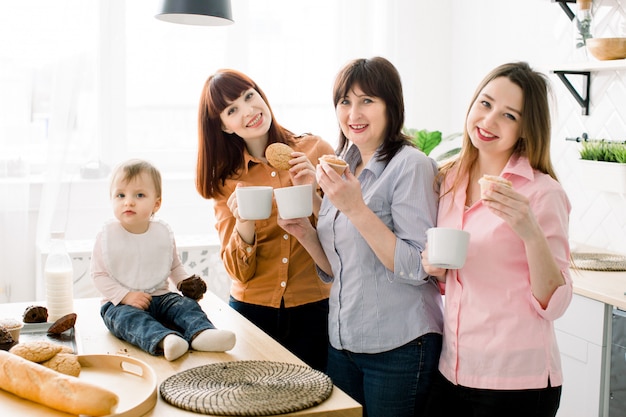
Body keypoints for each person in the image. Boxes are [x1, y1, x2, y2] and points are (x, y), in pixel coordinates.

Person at [278, 56, 444, 417]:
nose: (354, 112)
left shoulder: (411, 166)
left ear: (392, 105)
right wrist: (305, 232)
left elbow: (419, 266)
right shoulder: (341, 164)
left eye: (367, 100)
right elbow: (341, 266)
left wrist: (354, 208)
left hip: (399, 345)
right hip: (343, 342)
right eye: (345, 101)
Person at [422, 62, 573, 417]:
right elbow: (461, 280)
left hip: (515, 382)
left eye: (509, 115)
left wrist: (530, 231)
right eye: (485, 104)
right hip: (453, 368)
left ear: (524, 129)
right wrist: (434, 268)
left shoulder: (541, 193)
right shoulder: (449, 180)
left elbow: (555, 304)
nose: (489, 122)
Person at [195, 69, 334, 371]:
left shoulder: (314, 150)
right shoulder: (225, 180)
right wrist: (243, 222)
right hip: (251, 312)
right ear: (224, 126)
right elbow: (238, 273)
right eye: (232, 110)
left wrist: (313, 192)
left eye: (249, 96)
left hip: (316, 308)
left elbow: (345, 235)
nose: (249, 111)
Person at [91, 159, 236, 362]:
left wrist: (184, 282)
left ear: (156, 203)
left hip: (161, 297)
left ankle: (202, 333)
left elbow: (174, 265)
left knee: (185, 306)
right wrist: (126, 296)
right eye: (120, 195)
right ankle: (165, 340)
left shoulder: (162, 233)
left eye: (139, 195)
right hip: (120, 304)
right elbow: (99, 276)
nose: (128, 201)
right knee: (128, 320)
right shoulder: (107, 236)